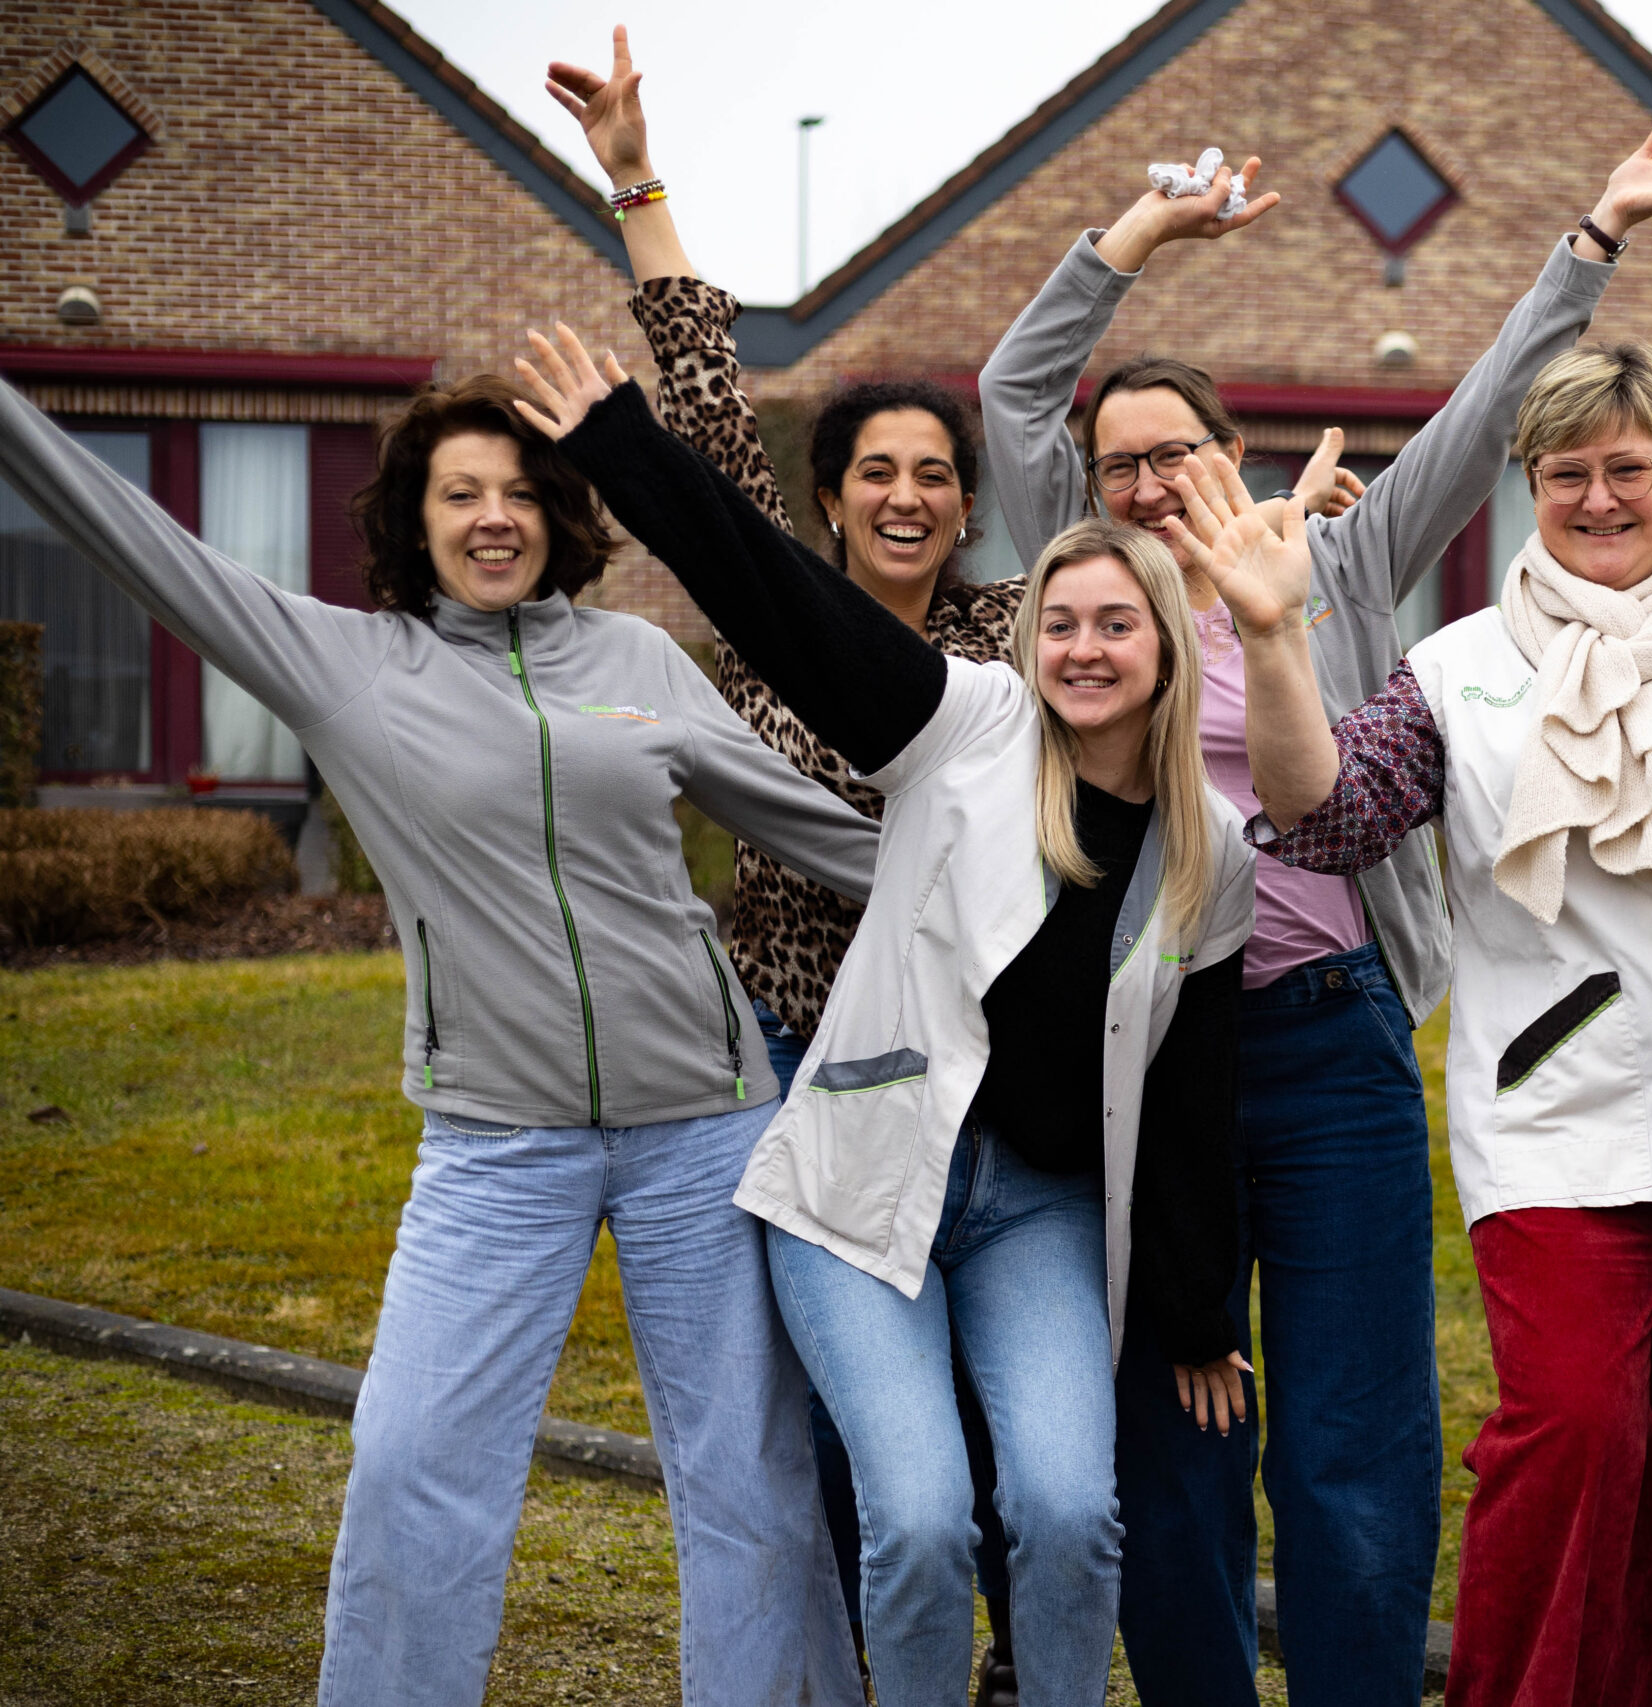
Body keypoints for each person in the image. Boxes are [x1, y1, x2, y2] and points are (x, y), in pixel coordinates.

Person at [977, 116, 1652, 1706]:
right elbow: (1005, 395)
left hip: (1327, 1049)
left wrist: (1590, 242)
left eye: (1175, 450)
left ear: (1232, 458)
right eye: (1115, 458)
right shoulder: (1087, 607)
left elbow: (1482, 425)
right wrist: (1136, 235)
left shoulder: (1337, 560)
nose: (1146, 478)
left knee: (1354, 1433)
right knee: (1178, 1418)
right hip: (1152, 1063)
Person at [0, 374, 877, 1706]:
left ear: (561, 513)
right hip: (496, 1142)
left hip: (705, 1125)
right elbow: (144, 541)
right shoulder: (349, 667)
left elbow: (816, 827)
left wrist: (1047, 872)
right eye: (461, 491)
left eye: (522, 491)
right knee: (416, 1463)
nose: (493, 517)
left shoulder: (639, 662)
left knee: (751, 1476)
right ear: (415, 517)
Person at [513, 322, 1261, 1707]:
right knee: (917, 1517)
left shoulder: (1212, 848)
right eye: (1062, 621)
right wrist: (622, 442)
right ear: (1025, 632)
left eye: (1118, 623)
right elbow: (778, 593)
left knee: (1065, 1510)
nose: (1084, 649)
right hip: (866, 1185)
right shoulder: (967, 723)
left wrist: (1199, 1306)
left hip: (1036, 1210)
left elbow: (1191, 1085)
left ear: (1169, 643)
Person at [1192, 336, 1652, 1707]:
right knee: (1573, 1427)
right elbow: (1325, 812)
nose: (1602, 497)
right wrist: (1271, 636)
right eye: (1570, 473)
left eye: (1632, 467)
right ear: (1530, 485)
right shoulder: (1458, 667)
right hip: (1555, 1114)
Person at [545, 32, 1025, 1694]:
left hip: (978, 1065)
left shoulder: (1006, 644)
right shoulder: (770, 640)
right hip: (798, 1060)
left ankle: (1012, 1655)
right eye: (877, 472)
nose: (907, 495)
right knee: (841, 1423)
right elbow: (697, 408)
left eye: (937, 477)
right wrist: (637, 179)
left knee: (993, 1420)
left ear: (968, 509)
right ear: (825, 501)